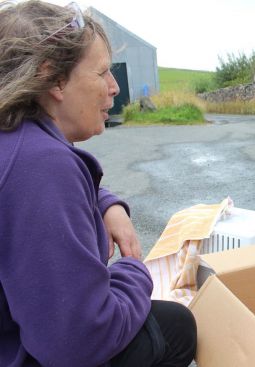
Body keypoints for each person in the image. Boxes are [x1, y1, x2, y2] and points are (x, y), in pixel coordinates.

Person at [0, 1, 196, 366]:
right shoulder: (41, 165)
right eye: (103, 72)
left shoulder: (16, 140)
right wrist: (135, 269)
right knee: (175, 326)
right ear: (53, 78)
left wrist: (105, 203)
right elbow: (78, 342)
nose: (114, 88)